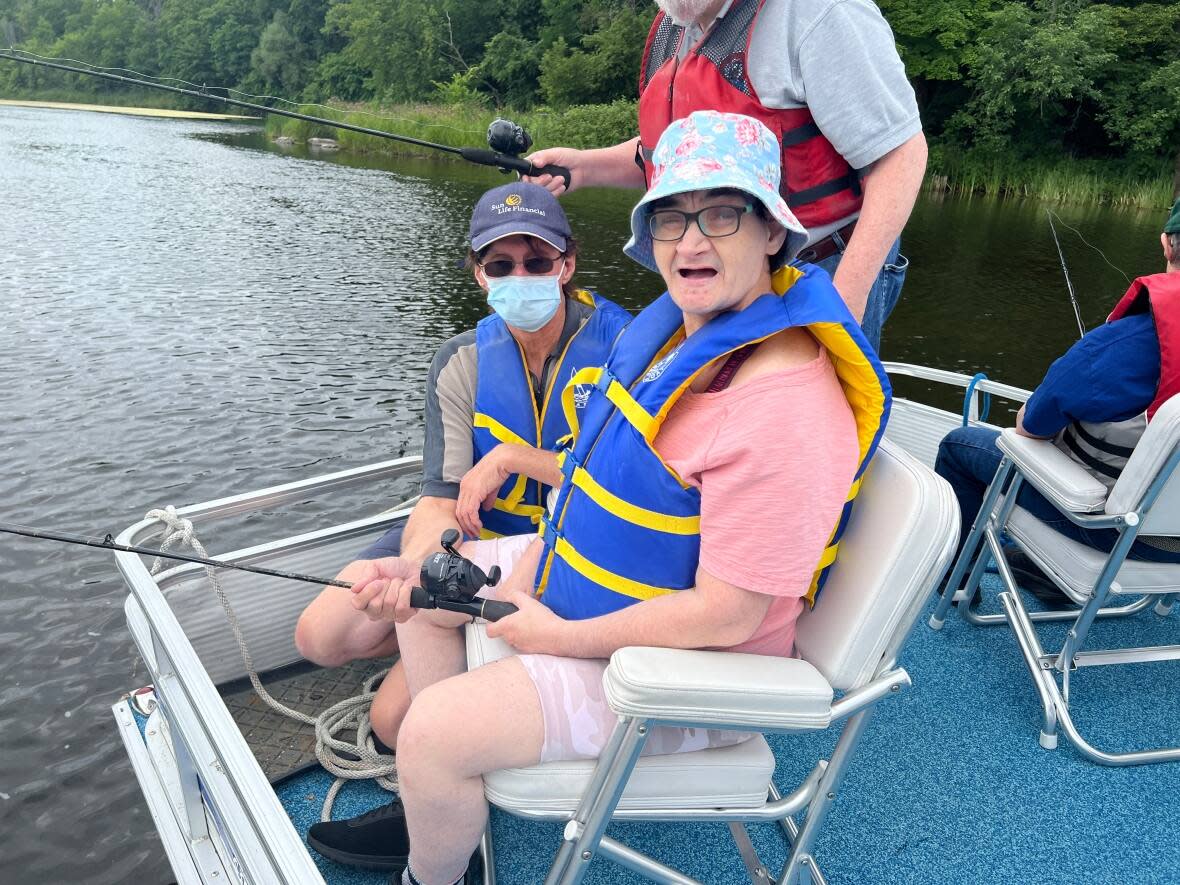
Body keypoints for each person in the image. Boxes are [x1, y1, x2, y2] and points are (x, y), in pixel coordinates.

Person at [307, 111, 890, 883]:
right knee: (429, 585)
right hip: (605, 595)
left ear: (773, 233)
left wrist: (552, 634)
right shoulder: (683, 340)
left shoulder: (782, 402)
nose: (691, 241)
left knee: (430, 728)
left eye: (723, 213)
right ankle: (449, 805)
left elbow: (731, 614)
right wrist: (515, 580)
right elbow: (598, 483)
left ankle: (438, 840)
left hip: (691, 675)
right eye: (672, 216)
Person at [293, 182, 631, 754]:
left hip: (564, 538)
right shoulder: (460, 362)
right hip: (471, 538)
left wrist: (513, 458)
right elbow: (439, 494)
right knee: (320, 635)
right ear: (479, 274)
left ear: (567, 264)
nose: (519, 276)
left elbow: (631, 480)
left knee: (393, 723)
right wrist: (422, 567)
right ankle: (447, 627)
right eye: (501, 263)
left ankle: (452, 649)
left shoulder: (626, 347)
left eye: (537, 261)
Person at [524, 0, 927, 352]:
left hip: (823, 269)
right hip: (721, 268)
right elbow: (681, 158)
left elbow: (900, 155)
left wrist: (844, 302)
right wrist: (584, 166)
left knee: (813, 425)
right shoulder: (676, 24)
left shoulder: (818, 12)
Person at [935, 196, 1180, 603]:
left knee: (959, 446)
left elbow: (1029, 427)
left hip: (1117, 533)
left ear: (1166, 244)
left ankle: (957, 586)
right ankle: (1043, 571)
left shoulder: (1120, 344)